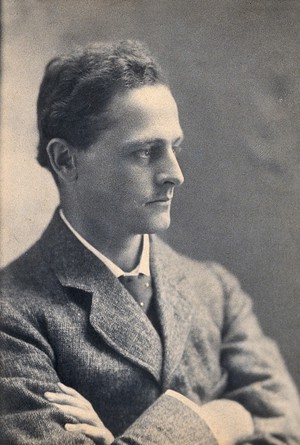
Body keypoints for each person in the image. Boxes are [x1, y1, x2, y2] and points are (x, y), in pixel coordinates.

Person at [0, 40, 299, 445]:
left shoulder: (214, 289)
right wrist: (226, 418)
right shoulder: (12, 314)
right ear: (65, 161)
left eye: (174, 148)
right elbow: (258, 418)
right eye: (145, 152)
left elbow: (286, 424)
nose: (174, 174)